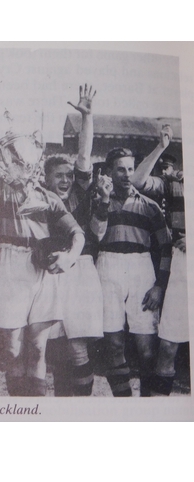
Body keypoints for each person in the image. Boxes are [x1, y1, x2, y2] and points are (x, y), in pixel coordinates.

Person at [0, 90, 85, 396]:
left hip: (43, 266)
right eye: (16, 159)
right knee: (13, 347)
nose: (20, 164)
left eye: (25, 160)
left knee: (38, 347)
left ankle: (34, 413)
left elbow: (78, 233)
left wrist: (69, 257)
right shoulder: (1, 188)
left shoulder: (47, 197)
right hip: (10, 262)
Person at [42, 84, 106, 396]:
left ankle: (80, 412)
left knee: (78, 347)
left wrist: (87, 117)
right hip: (51, 271)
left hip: (80, 269)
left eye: (69, 175)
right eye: (59, 176)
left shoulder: (80, 191)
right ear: (46, 180)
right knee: (55, 350)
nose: (66, 179)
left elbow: (83, 155)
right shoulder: (38, 199)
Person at [96, 146, 172, 397]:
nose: (127, 175)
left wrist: (159, 285)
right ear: (109, 172)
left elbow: (165, 249)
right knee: (113, 343)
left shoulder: (150, 207)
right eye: (120, 169)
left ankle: (147, 406)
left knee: (146, 347)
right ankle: (124, 403)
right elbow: (95, 233)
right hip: (108, 266)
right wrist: (103, 201)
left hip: (141, 269)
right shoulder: (99, 203)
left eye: (131, 169)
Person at [130, 125, 187, 396]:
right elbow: (138, 181)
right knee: (167, 347)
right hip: (182, 265)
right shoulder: (175, 181)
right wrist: (161, 147)